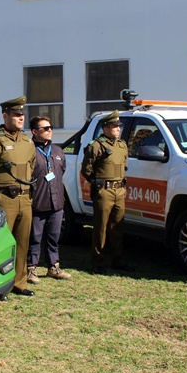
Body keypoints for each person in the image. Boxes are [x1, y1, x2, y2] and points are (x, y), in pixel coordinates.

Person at [0, 96, 36, 297]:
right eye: (17, 114)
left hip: (25, 199)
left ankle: (19, 283)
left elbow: (32, 167)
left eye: (22, 114)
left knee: (22, 243)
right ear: (5, 115)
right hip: (4, 199)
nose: (21, 118)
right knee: (0, 243)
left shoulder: (28, 140)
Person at [80, 111, 128, 272]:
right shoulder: (97, 146)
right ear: (105, 128)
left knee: (117, 228)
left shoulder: (122, 145)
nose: (118, 129)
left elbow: (124, 166)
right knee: (100, 228)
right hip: (104, 191)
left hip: (119, 190)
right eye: (114, 126)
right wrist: (97, 184)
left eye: (119, 126)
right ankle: (98, 261)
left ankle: (118, 260)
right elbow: (86, 169)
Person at [27, 115, 71, 283]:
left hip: (57, 203)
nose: (49, 130)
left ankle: (54, 267)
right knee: (35, 238)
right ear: (34, 131)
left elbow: (62, 171)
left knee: (54, 236)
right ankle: (31, 269)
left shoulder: (58, 151)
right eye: (45, 128)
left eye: (50, 127)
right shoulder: (29, 150)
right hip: (38, 203)